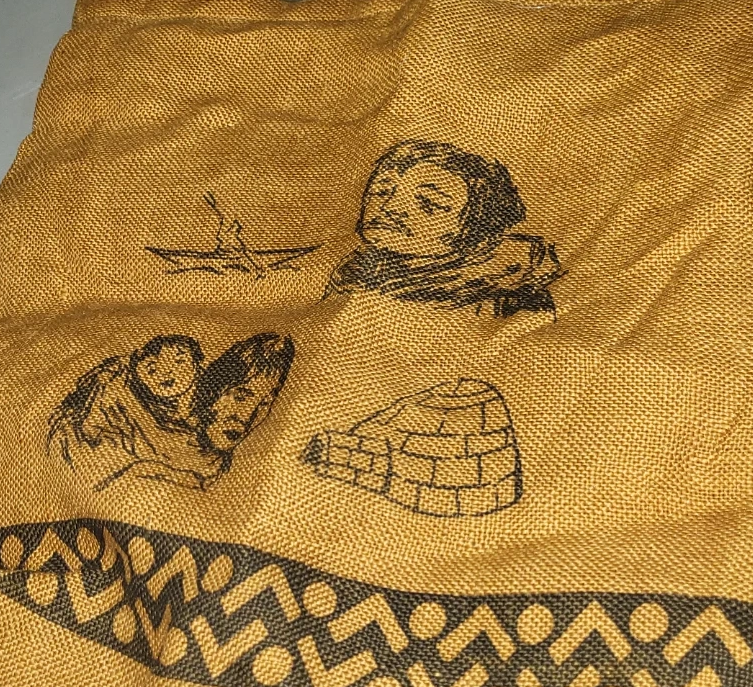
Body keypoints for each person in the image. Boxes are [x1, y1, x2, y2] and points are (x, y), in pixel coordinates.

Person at [324, 139, 561, 317]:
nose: (390, 207)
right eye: (382, 191)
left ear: (476, 229)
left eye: (429, 203)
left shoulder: (504, 298)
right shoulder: (356, 272)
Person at [48, 331, 293, 491]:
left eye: (264, 404)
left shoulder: (224, 465)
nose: (247, 417)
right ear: (214, 387)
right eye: (240, 396)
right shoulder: (125, 405)